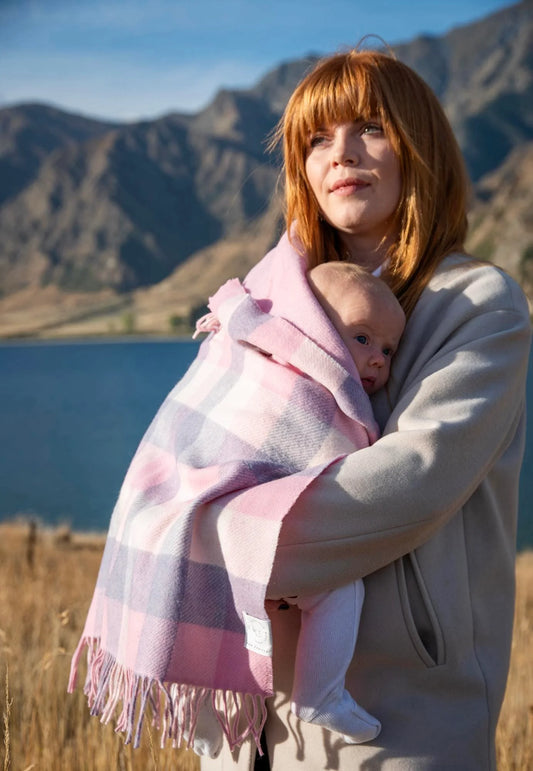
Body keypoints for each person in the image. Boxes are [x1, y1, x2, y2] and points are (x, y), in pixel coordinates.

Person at [199, 48, 531, 771]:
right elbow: (208, 441)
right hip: (248, 719)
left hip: (395, 718)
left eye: (370, 128)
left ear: (419, 149)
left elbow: (411, 481)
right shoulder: (268, 306)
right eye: (317, 139)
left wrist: (206, 545)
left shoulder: (478, 305)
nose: (341, 153)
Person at [187, 262, 405, 758]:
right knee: (339, 585)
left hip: (259, 534)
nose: (377, 359)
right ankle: (315, 695)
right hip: (243, 519)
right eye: (362, 338)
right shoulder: (281, 365)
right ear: (316, 330)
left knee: (221, 615)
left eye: (389, 350)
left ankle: (215, 712)